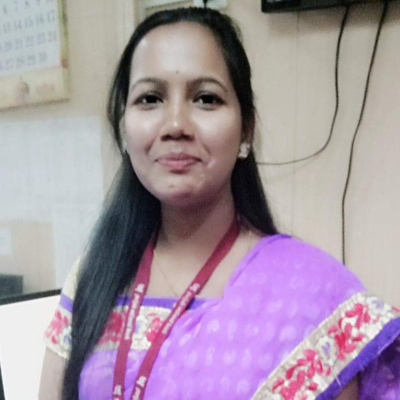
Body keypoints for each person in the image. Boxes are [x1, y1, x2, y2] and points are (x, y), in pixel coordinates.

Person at [39, 7, 400, 400]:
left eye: (206, 98)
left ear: (246, 129)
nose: (175, 125)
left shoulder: (315, 298)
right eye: (150, 98)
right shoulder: (94, 276)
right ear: (123, 126)